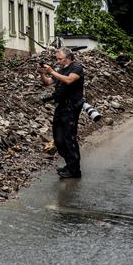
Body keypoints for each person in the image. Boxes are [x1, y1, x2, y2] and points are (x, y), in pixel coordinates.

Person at [39, 48, 85, 179]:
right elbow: (47, 82)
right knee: (59, 140)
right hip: (60, 107)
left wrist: (52, 71)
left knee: (69, 138)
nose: (57, 61)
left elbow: (69, 80)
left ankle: (75, 170)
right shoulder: (61, 70)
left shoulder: (77, 68)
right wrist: (42, 73)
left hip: (71, 107)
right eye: (57, 59)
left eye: (60, 59)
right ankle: (70, 165)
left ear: (69, 58)